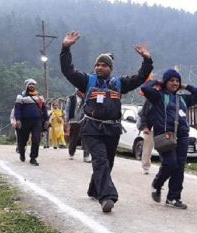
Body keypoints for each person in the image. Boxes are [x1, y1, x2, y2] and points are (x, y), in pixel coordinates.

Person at [60, 31, 153, 212]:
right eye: (98, 65)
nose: (100, 67)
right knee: (100, 160)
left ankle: (94, 189)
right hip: (92, 128)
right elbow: (67, 70)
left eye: (104, 65)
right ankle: (107, 197)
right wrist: (65, 48)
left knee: (108, 163)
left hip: (112, 129)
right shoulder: (86, 80)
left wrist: (147, 60)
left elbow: (141, 77)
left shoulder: (120, 83)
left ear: (110, 68)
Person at [141, 68, 197, 209]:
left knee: (179, 168)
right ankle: (157, 184)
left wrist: (186, 86)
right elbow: (145, 88)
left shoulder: (183, 99)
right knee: (170, 163)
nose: (175, 83)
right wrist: (157, 81)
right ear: (165, 82)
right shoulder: (158, 96)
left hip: (182, 136)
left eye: (177, 80)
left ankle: (173, 198)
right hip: (165, 135)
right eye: (171, 80)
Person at [14, 78, 49, 166]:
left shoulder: (39, 96)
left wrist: (46, 120)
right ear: (26, 86)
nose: (31, 86)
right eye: (30, 84)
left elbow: (44, 109)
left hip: (37, 121)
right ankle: (22, 152)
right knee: (23, 139)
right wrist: (18, 120)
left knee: (36, 139)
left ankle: (33, 158)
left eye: (33, 84)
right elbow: (17, 109)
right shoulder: (21, 96)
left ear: (35, 86)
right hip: (24, 121)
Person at [65, 89, 91, 162]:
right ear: (77, 90)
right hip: (74, 120)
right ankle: (71, 153)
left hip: (84, 120)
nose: (82, 92)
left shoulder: (86, 98)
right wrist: (66, 120)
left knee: (86, 138)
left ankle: (86, 156)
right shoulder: (71, 98)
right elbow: (67, 109)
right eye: (80, 90)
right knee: (74, 138)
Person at [138, 98, 154, 174]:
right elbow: (143, 114)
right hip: (149, 129)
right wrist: (145, 127)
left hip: (161, 128)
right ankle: (146, 167)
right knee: (147, 148)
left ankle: (166, 167)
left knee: (165, 147)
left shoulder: (164, 98)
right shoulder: (149, 100)